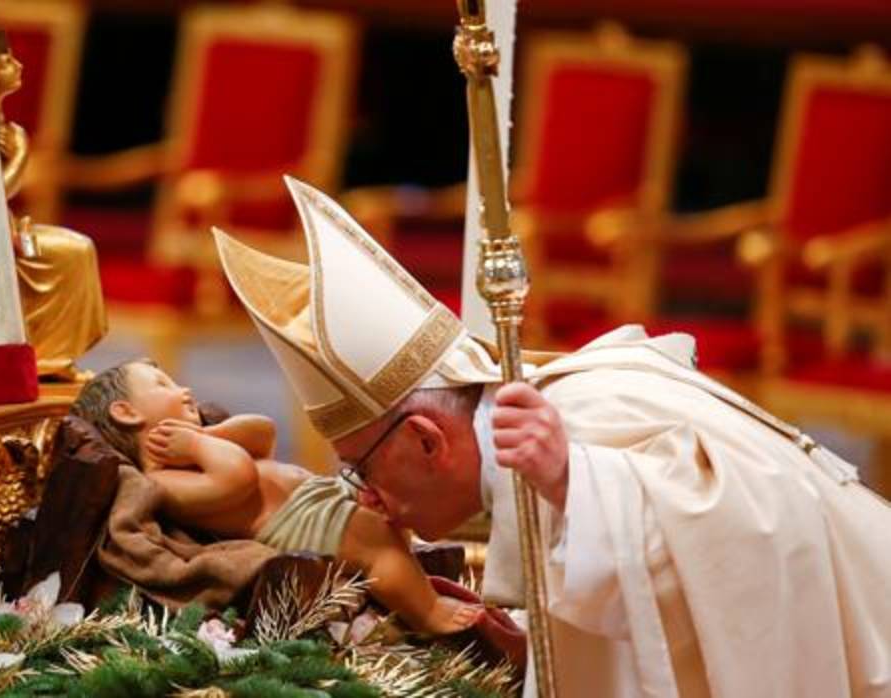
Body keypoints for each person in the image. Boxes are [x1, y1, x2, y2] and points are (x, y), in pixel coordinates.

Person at [214, 177, 891, 697]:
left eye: (360, 470)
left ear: (426, 440)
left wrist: (576, 482)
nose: (364, 501)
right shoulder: (531, 449)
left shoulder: (581, 427)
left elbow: (755, 527)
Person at [70, 358, 517, 637]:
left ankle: (410, 590)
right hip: (293, 524)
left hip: (315, 497)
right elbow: (237, 479)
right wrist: (200, 445)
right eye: (162, 384)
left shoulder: (200, 442)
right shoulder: (161, 481)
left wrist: (209, 434)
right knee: (377, 544)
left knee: (392, 521)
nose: (183, 389)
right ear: (126, 412)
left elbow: (263, 433)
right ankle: (428, 613)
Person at [0, 43, 106, 382]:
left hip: (12, 231)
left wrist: (21, 149)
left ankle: (52, 356)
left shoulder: (9, 130)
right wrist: (21, 156)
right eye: (6, 60)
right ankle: (45, 356)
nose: (18, 64)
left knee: (78, 248)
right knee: (67, 253)